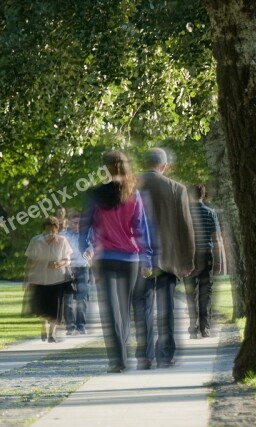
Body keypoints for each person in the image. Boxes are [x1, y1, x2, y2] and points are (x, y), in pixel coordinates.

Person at [81, 151, 152, 373]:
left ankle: (119, 361)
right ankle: (138, 355)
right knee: (128, 308)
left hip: (106, 258)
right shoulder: (134, 193)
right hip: (131, 258)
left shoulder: (95, 195)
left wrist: (86, 248)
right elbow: (140, 227)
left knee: (111, 311)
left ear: (106, 168)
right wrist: (147, 256)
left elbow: (86, 225)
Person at [136, 148, 194, 368]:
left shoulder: (133, 185)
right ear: (164, 165)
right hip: (168, 258)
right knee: (166, 308)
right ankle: (166, 355)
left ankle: (144, 354)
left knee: (144, 308)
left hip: (140, 257)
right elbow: (185, 228)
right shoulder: (176, 189)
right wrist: (188, 260)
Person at [185, 184, 225, 339]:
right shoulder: (210, 213)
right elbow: (216, 239)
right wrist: (219, 261)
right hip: (206, 255)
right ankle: (205, 328)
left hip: (189, 257)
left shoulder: (185, 213)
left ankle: (193, 326)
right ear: (203, 195)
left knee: (191, 292)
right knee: (206, 292)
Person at [24, 217, 73, 343]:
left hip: (57, 279)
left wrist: (59, 264)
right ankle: (43, 327)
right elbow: (29, 261)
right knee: (43, 307)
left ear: (57, 229)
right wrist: (26, 278)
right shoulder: (36, 241)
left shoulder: (62, 241)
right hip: (39, 279)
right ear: (44, 228)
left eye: (53, 228)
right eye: (47, 228)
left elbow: (67, 260)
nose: (50, 231)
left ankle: (52, 334)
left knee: (55, 308)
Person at [62, 211, 91, 335]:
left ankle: (81, 326)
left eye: (79, 223)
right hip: (67, 269)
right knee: (67, 300)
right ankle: (70, 326)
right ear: (68, 222)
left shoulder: (86, 235)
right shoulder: (62, 236)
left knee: (82, 299)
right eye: (74, 223)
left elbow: (92, 247)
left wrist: (91, 252)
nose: (77, 225)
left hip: (82, 268)